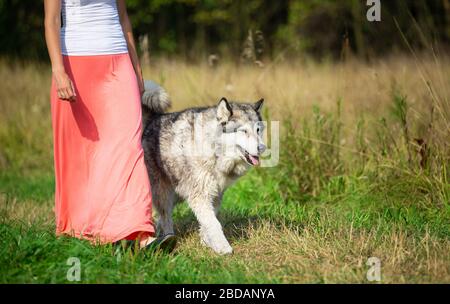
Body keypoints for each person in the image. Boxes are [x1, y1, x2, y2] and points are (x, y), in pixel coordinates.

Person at [44, 0, 176, 252]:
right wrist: (58, 71)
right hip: (75, 64)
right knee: (82, 154)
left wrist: (136, 68)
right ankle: (90, 225)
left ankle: (140, 232)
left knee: (129, 147)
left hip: (118, 63)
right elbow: (51, 20)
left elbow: (123, 17)